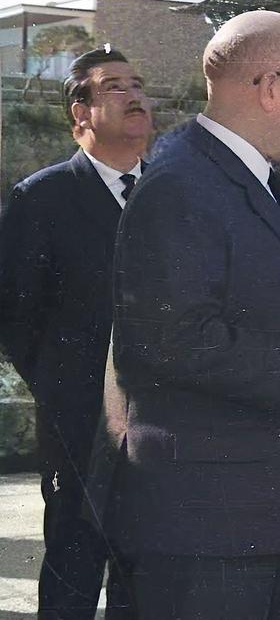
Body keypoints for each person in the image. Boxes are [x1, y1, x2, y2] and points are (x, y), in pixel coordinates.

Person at [101, 10, 280, 619]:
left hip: (256, 518)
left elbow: (245, 310)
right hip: (206, 530)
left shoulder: (245, 179)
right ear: (272, 87)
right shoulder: (182, 184)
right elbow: (168, 337)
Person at [0, 47, 148, 619]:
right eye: (114, 86)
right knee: (73, 577)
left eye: (138, 84)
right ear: (79, 115)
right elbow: (15, 316)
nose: (135, 95)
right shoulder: (42, 197)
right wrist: (66, 388)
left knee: (144, 581)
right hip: (80, 428)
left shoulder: (168, 194)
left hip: (160, 429)